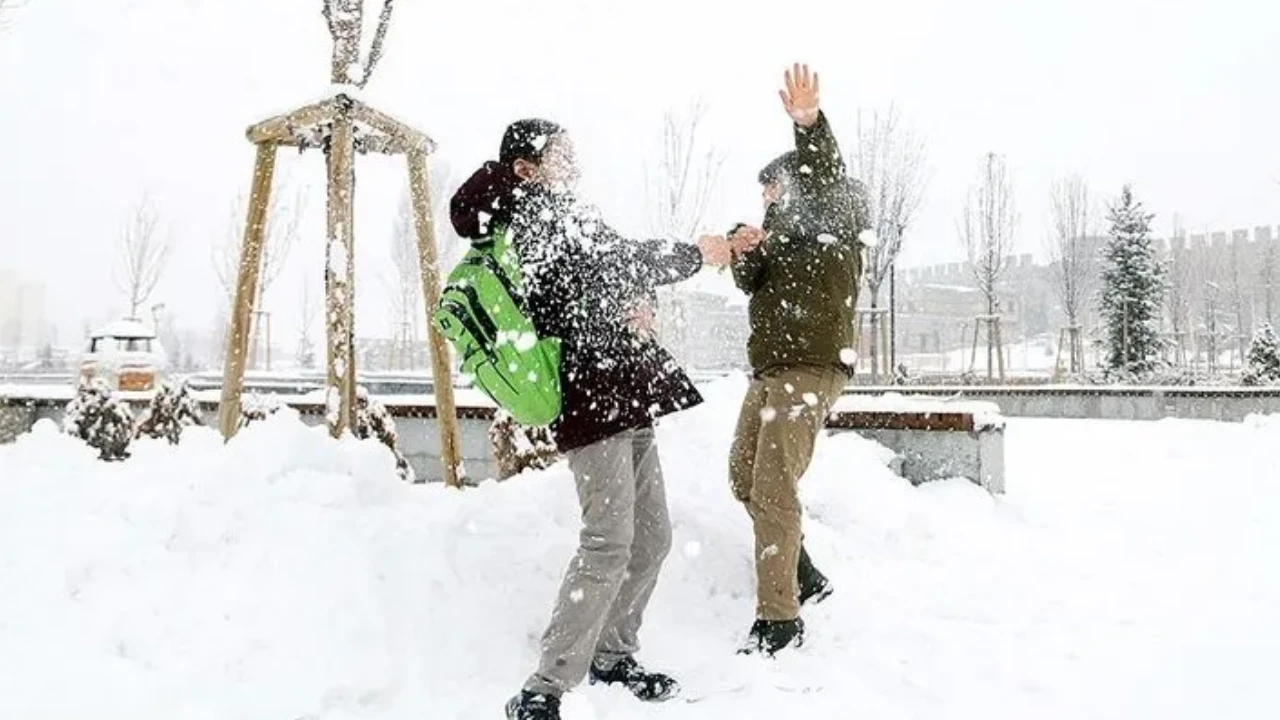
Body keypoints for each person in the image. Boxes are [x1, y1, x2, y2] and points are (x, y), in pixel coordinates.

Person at [450, 119, 734, 720]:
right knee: (608, 542)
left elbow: (615, 271)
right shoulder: (525, 213)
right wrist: (694, 255)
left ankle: (612, 652)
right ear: (528, 165)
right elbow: (610, 262)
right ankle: (543, 688)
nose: (573, 160)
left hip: (625, 387)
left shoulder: (568, 211)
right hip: (588, 394)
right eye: (560, 152)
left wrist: (641, 306)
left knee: (653, 538)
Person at [725, 64, 869, 656]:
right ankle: (803, 571)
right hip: (771, 371)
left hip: (811, 369)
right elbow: (749, 282)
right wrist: (742, 246)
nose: (767, 200)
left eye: (773, 190)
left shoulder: (833, 215)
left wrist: (808, 124)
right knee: (743, 476)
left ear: (797, 183)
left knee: (774, 486)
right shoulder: (778, 239)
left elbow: (825, 173)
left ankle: (780, 620)